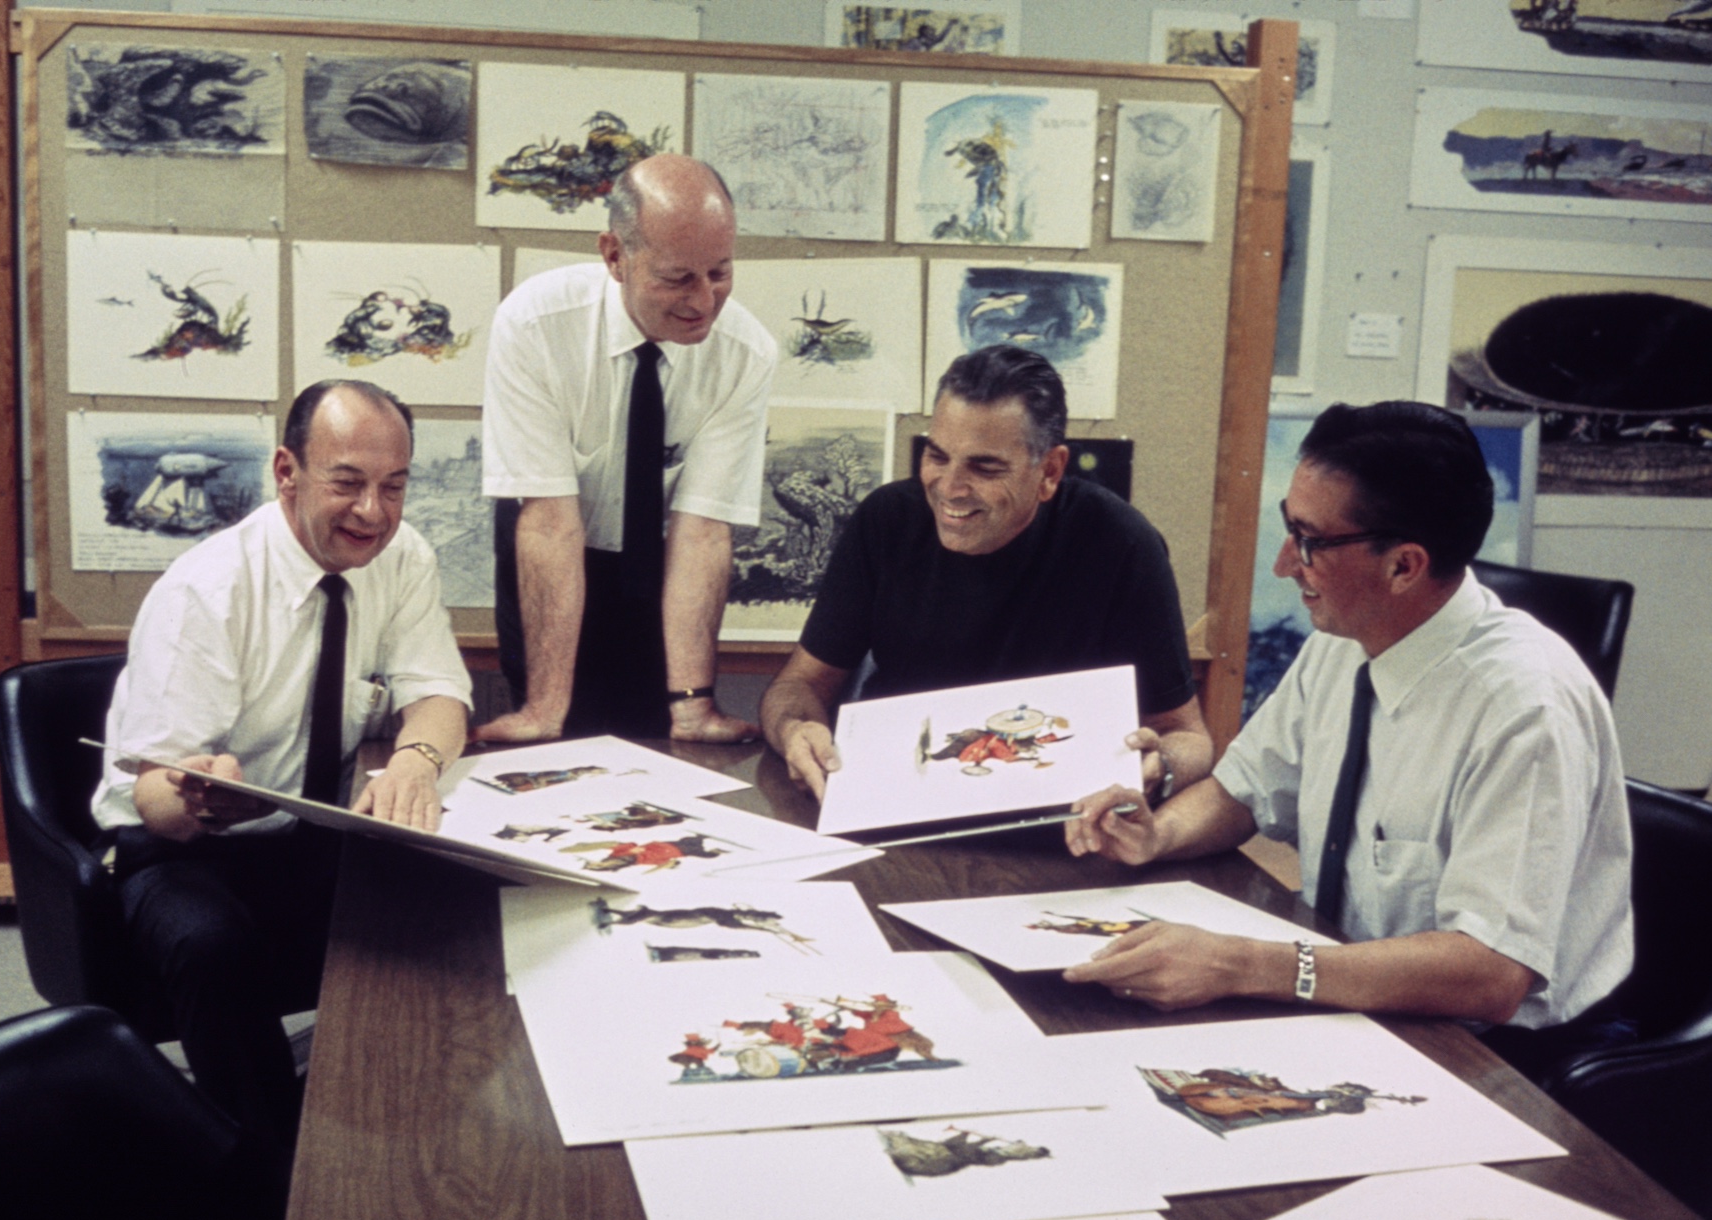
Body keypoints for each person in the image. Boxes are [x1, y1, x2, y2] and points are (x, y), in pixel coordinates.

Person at [1063, 401, 1632, 1066]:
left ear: (1404, 566)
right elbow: (1245, 789)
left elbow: (1490, 973)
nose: (1283, 564)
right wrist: (1155, 833)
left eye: (1309, 540)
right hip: (1355, 995)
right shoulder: (1349, 637)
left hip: (1506, 1055)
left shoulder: (1528, 708)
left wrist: (1238, 964)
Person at [92, 379, 472, 1159]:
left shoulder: (402, 558)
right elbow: (152, 796)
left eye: (394, 486)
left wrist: (413, 762)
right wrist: (198, 796)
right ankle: (268, 1167)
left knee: (451, 895)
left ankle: (401, 1129)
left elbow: (439, 693)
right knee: (213, 946)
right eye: (348, 483)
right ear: (286, 471)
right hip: (179, 849)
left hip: (305, 828)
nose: (375, 511)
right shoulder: (208, 588)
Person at [761, 344, 1212, 805]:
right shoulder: (886, 521)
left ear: (1050, 471)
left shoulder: (1120, 542)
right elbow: (799, 686)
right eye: (937, 457)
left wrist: (1163, 768)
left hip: (1057, 817)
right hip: (902, 800)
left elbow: (1187, 737)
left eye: (985, 467)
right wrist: (797, 730)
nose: (950, 489)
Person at [477, 153, 774, 744]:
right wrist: (544, 710)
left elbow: (704, 532)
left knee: (662, 748)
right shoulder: (535, 325)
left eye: (720, 272)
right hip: (555, 545)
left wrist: (692, 705)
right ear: (615, 256)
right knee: (556, 745)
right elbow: (548, 525)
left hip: (660, 564)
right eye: (676, 277)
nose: (703, 300)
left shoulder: (746, 352)